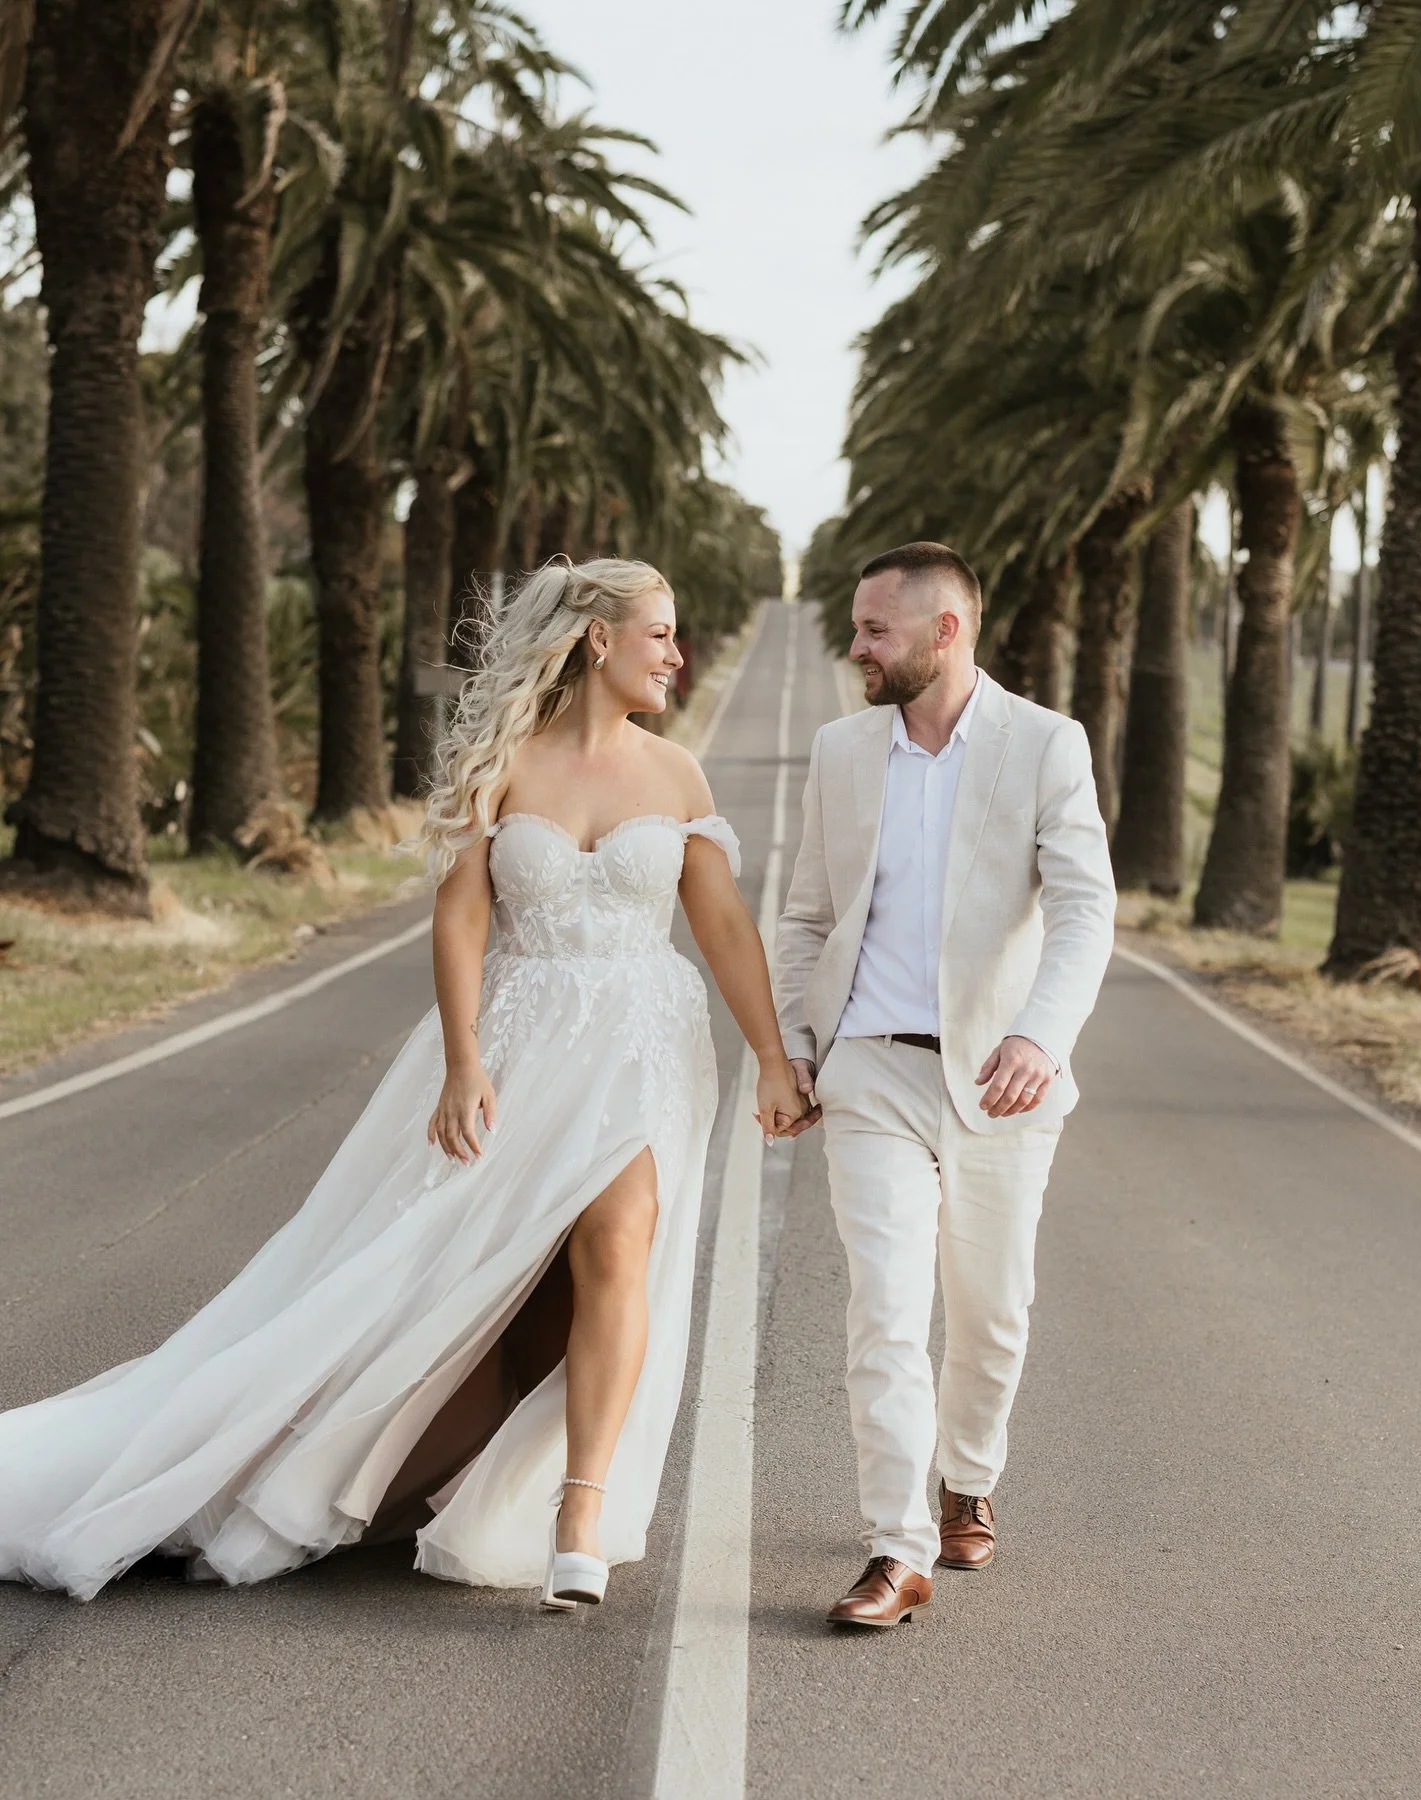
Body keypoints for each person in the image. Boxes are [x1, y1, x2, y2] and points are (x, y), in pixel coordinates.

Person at [0, 557, 807, 1610]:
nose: (676, 654)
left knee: (620, 1239)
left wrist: (776, 1061)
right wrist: (465, 1063)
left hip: (644, 1043)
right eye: (660, 633)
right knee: (432, 1275)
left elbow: (725, 930)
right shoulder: (503, 761)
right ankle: (275, 1461)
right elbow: (463, 917)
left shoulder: (678, 777)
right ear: (599, 641)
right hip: (518, 1042)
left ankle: (580, 1509)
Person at [773, 541, 1115, 1629]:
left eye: (876, 628)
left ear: (945, 631)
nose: (857, 645)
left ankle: (969, 1478)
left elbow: (1084, 909)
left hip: (1001, 1081)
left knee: (992, 1311)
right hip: (871, 1068)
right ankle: (896, 1545)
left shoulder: (1046, 746)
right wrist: (794, 1045)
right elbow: (806, 917)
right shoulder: (841, 749)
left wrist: (1040, 1036)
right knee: (884, 1309)